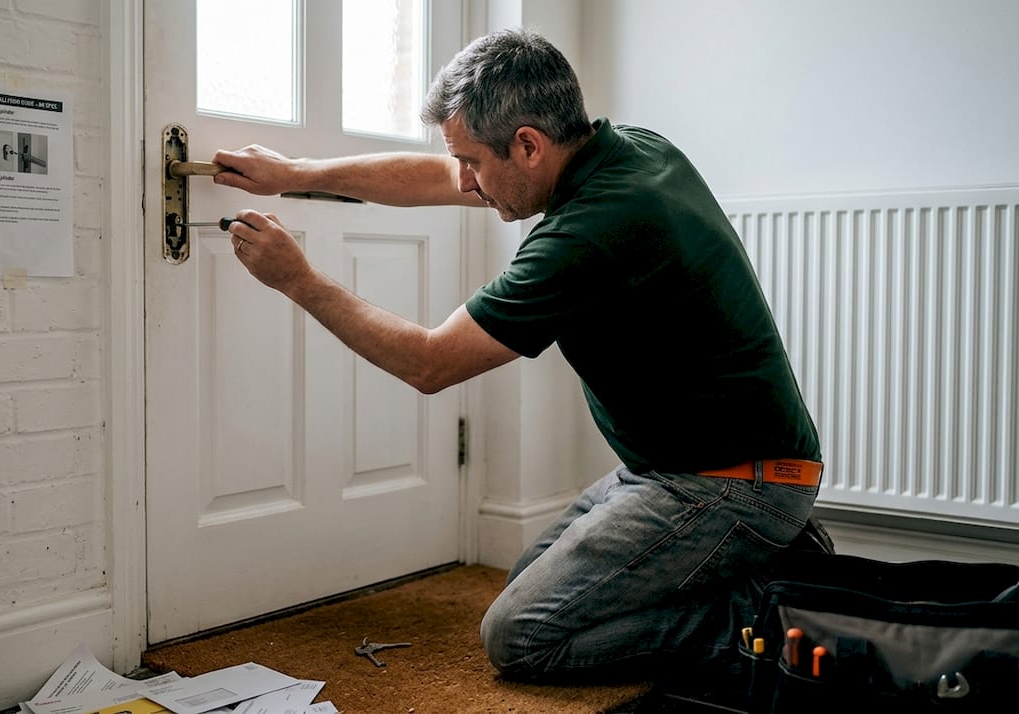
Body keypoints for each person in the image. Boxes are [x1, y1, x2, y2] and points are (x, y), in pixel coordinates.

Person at [209, 28, 832, 684]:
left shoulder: (587, 234)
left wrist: (298, 280)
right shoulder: (628, 150)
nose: (467, 183)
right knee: (533, 584)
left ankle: (761, 621)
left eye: (474, 162)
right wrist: (296, 176)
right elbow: (440, 178)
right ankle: (760, 561)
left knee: (523, 635)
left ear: (528, 145)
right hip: (682, 466)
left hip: (730, 483)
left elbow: (430, 362)